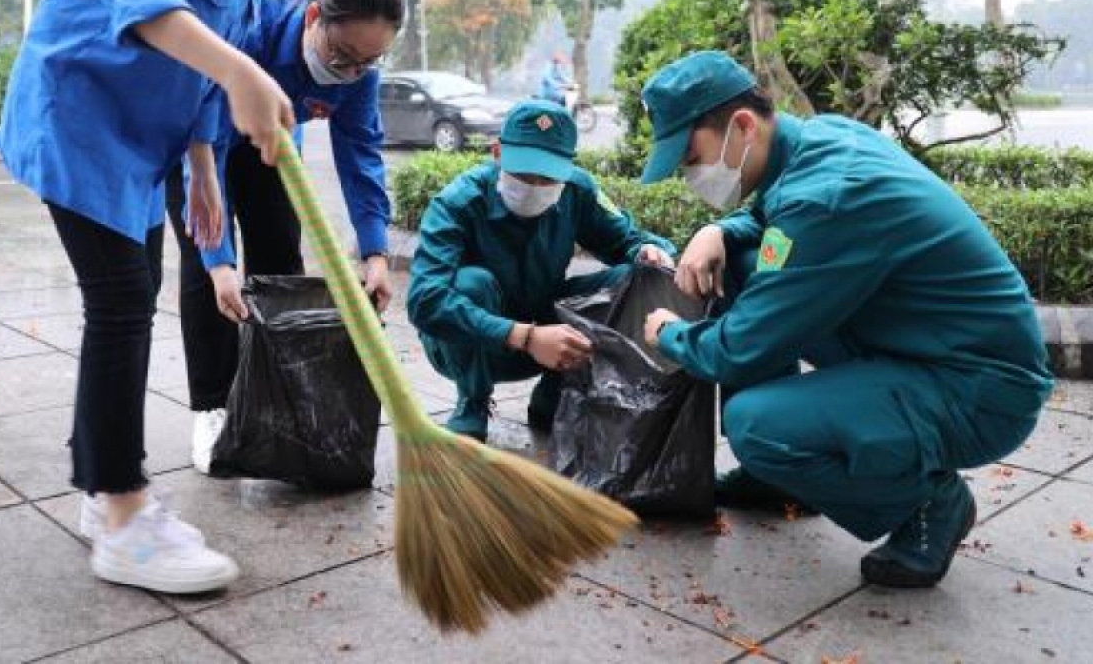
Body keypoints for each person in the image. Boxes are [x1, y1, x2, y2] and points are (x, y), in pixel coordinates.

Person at [0, 0, 384, 595]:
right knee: (123, 301)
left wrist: (204, 158)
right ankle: (124, 512)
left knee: (124, 296)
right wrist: (243, 75)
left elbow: (210, 49)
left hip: (144, 138)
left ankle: (108, 495)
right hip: (82, 110)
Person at [637, 50, 1052, 588]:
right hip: (922, 346)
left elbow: (738, 349)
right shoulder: (820, 140)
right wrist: (719, 231)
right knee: (741, 263)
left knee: (757, 426)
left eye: (691, 158)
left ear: (741, 127)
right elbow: (769, 218)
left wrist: (668, 333)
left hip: (980, 391)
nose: (688, 175)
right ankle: (774, 480)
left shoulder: (828, 197)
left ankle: (929, 504)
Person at [164, 0, 405, 472]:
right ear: (315, 18)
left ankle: (277, 395)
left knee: (278, 259)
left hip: (273, 145)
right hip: (200, 141)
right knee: (207, 274)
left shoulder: (357, 75)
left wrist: (376, 253)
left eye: (368, 62)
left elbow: (361, 157)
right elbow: (204, 132)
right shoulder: (249, 29)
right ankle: (212, 407)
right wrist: (219, 261)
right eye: (342, 57)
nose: (350, 73)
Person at [405, 101, 677, 442]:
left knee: (629, 279)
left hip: (549, 330)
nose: (534, 184)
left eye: (547, 176)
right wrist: (526, 336)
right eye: (522, 173)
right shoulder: (457, 203)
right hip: (474, 346)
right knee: (472, 284)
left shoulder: (577, 191)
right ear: (497, 153)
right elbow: (423, 301)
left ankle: (556, 391)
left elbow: (629, 240)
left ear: (568, 169)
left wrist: (649, 252)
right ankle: (472, 402)